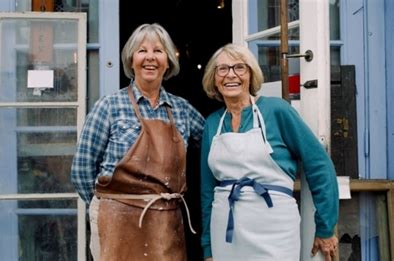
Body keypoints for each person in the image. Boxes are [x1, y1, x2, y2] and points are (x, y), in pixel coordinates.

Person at [70, 23, 205, 261]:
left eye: (158, 51)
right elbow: (82, 169)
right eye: (142, 51)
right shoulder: (109, 106)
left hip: (166, 221)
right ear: (131, 60)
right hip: (116, 220)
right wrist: (105, 207)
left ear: (168, 62)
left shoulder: (182, 110)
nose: (150, 58)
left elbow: (213, 148)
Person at [199, 43, 339, 261]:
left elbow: (319, 164)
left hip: (276, 230)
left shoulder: (277, 110)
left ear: (251, 74)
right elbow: (208, 190)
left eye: (239, 68)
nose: (231, 75)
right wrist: (208, 247)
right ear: (214, 78)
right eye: (222, 69)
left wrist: (325, 227)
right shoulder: (212, 123)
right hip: (226, 233)